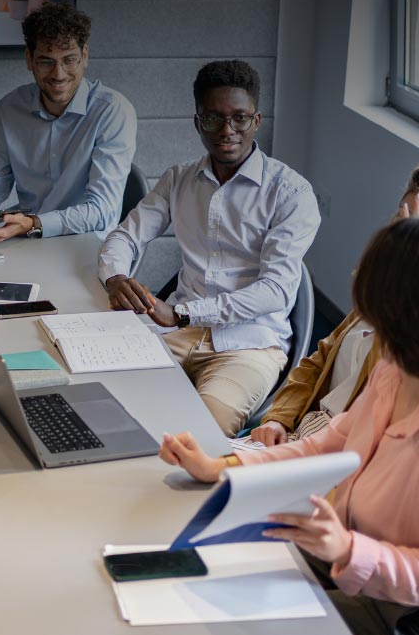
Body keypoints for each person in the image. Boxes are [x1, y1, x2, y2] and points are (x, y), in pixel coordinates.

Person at [160, 217, 419, 635]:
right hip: (334, 560)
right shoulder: (394, 372)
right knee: (192, 570)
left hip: (391, 610)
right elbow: (324, 447)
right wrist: (221, 466)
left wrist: (348, 549)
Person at [99, 60, 321, 437]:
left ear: (256, 120)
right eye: (213, 119)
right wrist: (115, 277)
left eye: (240, 118)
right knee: (101, 402)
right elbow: (125, 236)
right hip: (174, 336)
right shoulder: (178, 179)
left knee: (199, 436)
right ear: (198, 122)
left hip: (248, 346)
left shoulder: (291, 194)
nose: (227, 130)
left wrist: (183, 313)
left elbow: (276, 290)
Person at [0, 2, 137, 241]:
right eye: (46, 61)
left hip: (89, 243)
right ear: (29, 59)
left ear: (85, 56)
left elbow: (102, 210)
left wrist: (34, 224)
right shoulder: (9, 109)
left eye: (69, 60)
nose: (58, 74)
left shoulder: (112, 111)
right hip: (27, 240)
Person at [249, 167, 419, 446]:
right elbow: (318, 361)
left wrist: (407, 264)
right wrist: (278, 418)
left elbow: (389, 382)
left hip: (341, 449)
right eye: (401, 218)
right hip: (305, 430)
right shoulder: (369, 307)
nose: (399, 233)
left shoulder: (403, 332)